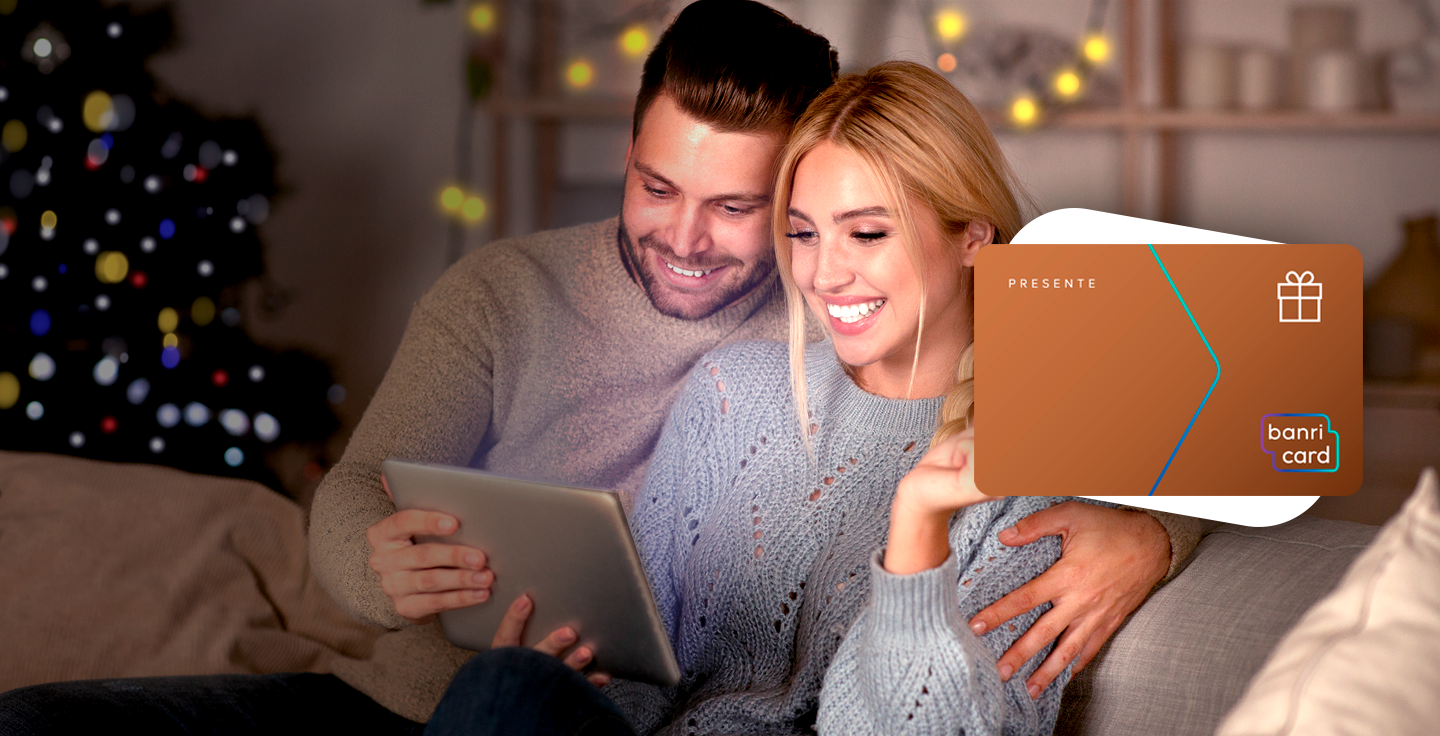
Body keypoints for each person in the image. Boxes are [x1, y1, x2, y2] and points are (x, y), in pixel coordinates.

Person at [0, 1, 1207, 732]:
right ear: (626, 152)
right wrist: (423, 590)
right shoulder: (649, 354)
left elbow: (1246, 416)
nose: (691, 240)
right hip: (450, 706)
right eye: (656, 186)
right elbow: (361, 499)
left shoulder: (940, 357)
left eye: (746, 209)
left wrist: (1157, 530)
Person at [423, 60, 1100, 736]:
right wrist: (563, 671)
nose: (824, 273)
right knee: (472, 688)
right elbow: (637, 670)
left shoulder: (1026, 461)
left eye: (867, 232)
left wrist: (917, 533)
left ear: (972, 239)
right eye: (803, 233)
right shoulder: (732, 391)